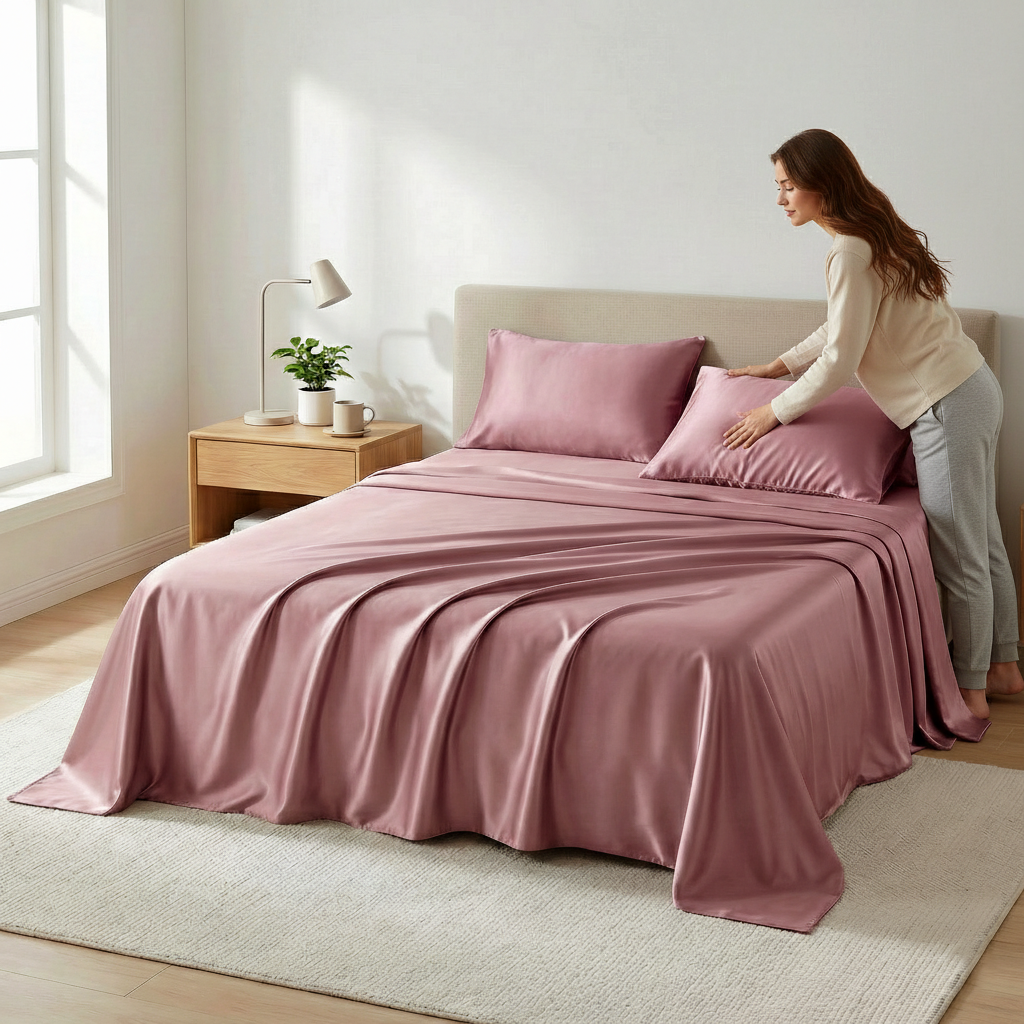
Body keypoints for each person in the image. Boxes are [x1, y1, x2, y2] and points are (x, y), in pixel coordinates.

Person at [724, 128, 1022, 720]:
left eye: (787, 186)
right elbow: (841, 329)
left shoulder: (849, 250)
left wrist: (773, 411)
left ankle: (971, 696)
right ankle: (1004, 667)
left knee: (957, 549)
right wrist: (780, 364)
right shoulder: (872, 234)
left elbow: (841, 357)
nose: (780, 200)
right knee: (981, 538)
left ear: (821, 185)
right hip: (972, 389)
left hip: (944, 404)